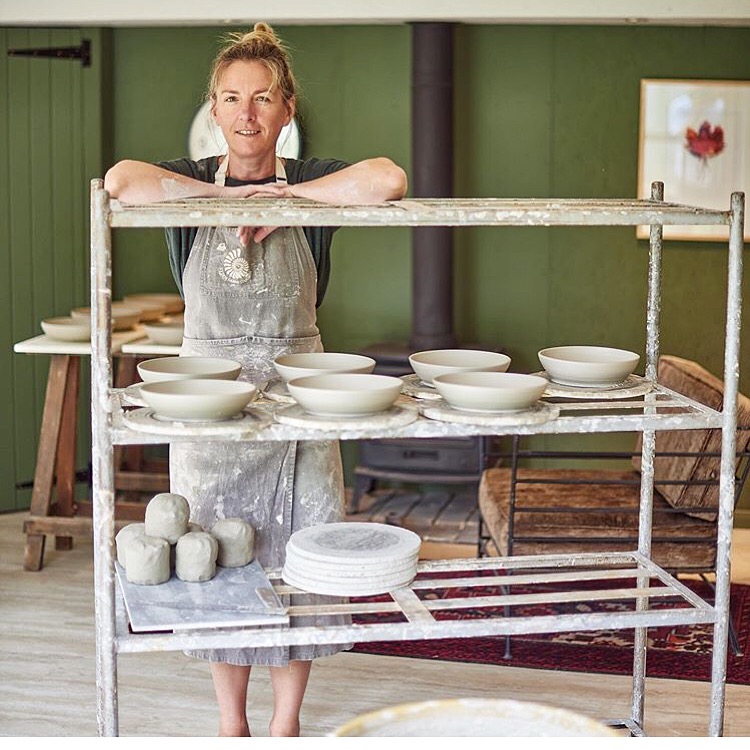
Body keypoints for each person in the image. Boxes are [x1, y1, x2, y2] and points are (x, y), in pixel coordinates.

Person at [104, 23, 407, 737]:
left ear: (286, 109)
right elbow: (119, 181)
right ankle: (232, 725)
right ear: (214, 108)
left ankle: (286, 725)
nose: (248, 114)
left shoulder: (309, 181)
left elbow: (388, 179)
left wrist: (285, 201)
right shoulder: (185, 180)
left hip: (301, 401)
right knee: (219, 559)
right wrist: (219, 203)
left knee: (302, 562)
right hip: (210, 407)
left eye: (263, 98)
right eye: (233, 98)